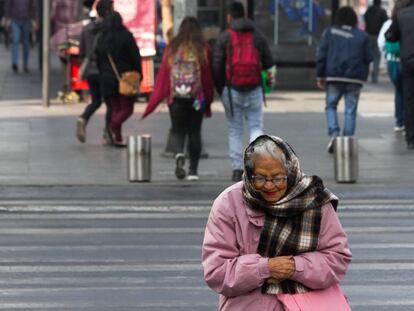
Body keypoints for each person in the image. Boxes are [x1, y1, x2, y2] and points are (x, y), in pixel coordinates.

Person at [202, 135, 352, 310]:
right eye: (260, 178)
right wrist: (264, 268)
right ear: (249, 176)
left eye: (277, 178)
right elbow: (217, 272)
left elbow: (337, 258)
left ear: (290, 172)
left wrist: (296, 267)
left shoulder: (315, 201)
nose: (269, 185)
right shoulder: (228, 203)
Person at [141, 16, 214, 181]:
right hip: (196, 98)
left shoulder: (172, 47)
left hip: (176, 99)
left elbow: (164, 76)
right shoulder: (203, 48)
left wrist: (164, 96)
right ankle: (193, 171)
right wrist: (208, 99)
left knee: (178, 130)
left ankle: (179, 154)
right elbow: (208, 77)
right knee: (194, 132)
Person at [212, 1, 274, 182]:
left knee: (235, 129)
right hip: (254, 88)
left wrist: (220, 87)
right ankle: (256, 165)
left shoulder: (225, 37)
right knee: (256, 126)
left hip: (232, 90)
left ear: (230, 16)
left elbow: (216, 64)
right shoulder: (257, 35)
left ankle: (237, 169)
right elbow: (269, 62)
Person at [316, 6, 373, 154]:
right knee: (350, 110)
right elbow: (368, 58)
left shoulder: (330, 32)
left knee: (331, 106)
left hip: (334, 77)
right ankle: (346, 141)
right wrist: (363, 77)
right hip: (354, 79)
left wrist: (320, 75)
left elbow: (321, 55)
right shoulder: (362, 36)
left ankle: (335, 134)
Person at [95, 11, 142, 147]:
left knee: (116, 108)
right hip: (125, 79)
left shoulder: (101, 38)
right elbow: (135, 57)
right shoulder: (126, 36)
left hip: (106, 79)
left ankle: (117, 137)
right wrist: (139, 75)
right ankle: (112, 127)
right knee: (127, 109)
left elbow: (98, 60)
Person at [76, 0, 114, 144]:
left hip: (91, 71)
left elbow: (82, 52)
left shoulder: (87, 29)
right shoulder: (108, 29)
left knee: (96, 101)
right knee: (110, 103)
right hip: (104, 71)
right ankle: (107, 133)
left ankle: (83, 118)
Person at [386, 0, 414, 149]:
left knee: (409, 99)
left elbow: (390, 35)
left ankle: (410, 137)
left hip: (408, 60)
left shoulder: (401, 15)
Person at [378, 16, 404, 132]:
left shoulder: (389, 23)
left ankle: (399, 121)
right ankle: (407, 121)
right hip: (406, 60)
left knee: (399, 91)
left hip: (392, 61)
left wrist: (387, 53)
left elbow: (381, 42)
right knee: (408, 92)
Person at [4, 0, 38, 73]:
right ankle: (14, 62)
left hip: (26, 20)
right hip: (15, 20)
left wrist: (35, 20)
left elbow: (33, 7)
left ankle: (25, 63)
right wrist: (7, 19)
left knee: (26, 43)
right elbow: (8, 6)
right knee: (15, 40)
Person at [364, 0, 388, 83]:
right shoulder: (382, 12)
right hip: (378, 36)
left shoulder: (368, 11)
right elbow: (387, 22)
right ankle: (374, 78)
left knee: (366, 56)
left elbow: (365, 19)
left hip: (368, 35)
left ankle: (365, 76)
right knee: (376, 57)